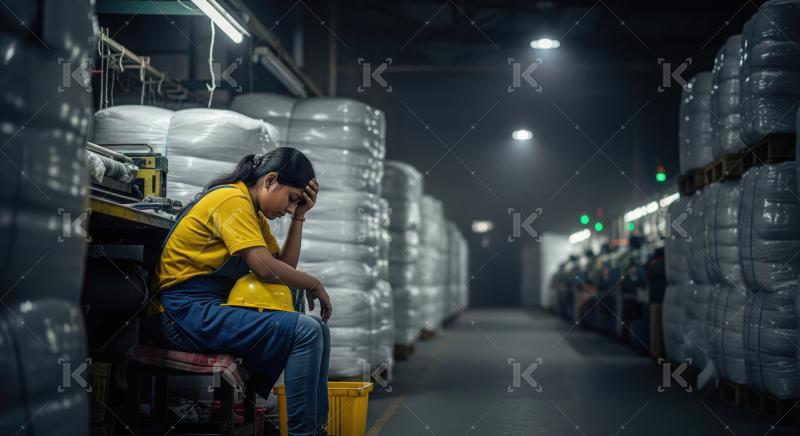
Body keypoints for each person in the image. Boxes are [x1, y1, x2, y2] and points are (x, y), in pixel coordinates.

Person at [144, 147, 333, 436]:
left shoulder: (253, 213)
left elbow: (281, 268)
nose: (288, 208)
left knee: (318, 328)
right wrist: (314, 283)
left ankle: (316, 429)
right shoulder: (231, 199)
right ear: (270, 180)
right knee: (305, 331)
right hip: (177, 314)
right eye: (291, 200)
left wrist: (299, 217)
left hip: (204, 310)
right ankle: (303, 433)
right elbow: (264, 268)